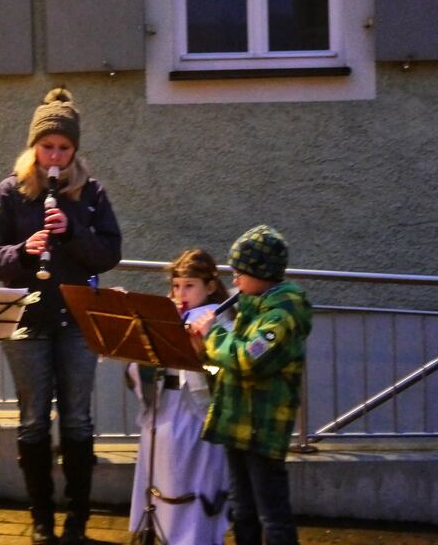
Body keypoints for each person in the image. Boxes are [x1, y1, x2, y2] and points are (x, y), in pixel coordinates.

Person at [0, 88, 122, 544]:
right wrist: (23, 250)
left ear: (74, 149)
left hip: (77, 321)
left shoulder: (91, 193)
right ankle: (41, 518)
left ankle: (78, 517)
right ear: (33, 146)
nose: (54, 156)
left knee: (77, 420)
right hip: (27, 323)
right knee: (34, 420)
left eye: (63, 148)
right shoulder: (11, 192)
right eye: (47, 147)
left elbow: (108, 254)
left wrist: (73, 231)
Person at [188, 225, 312, 545]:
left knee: (272, 514)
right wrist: (199, 351)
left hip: (263, 426)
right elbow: (228, 361)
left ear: (261, 272)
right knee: (242, 509)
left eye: (239, 271)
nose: (234, 280)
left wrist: (212, 334)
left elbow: (247, 358)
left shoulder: (283, 313)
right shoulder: (251, 302)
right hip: (237, 419)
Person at [126, 249, 231, 545]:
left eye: (189, 285)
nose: (181, 293)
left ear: (209, 287)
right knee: (161, 480)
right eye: (176, 285)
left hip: (195, 414)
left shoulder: (219, 321)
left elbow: (224, 373)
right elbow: (138, 369)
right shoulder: (166, 316)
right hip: (162, 409)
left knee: (190, 483)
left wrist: (200, 352)